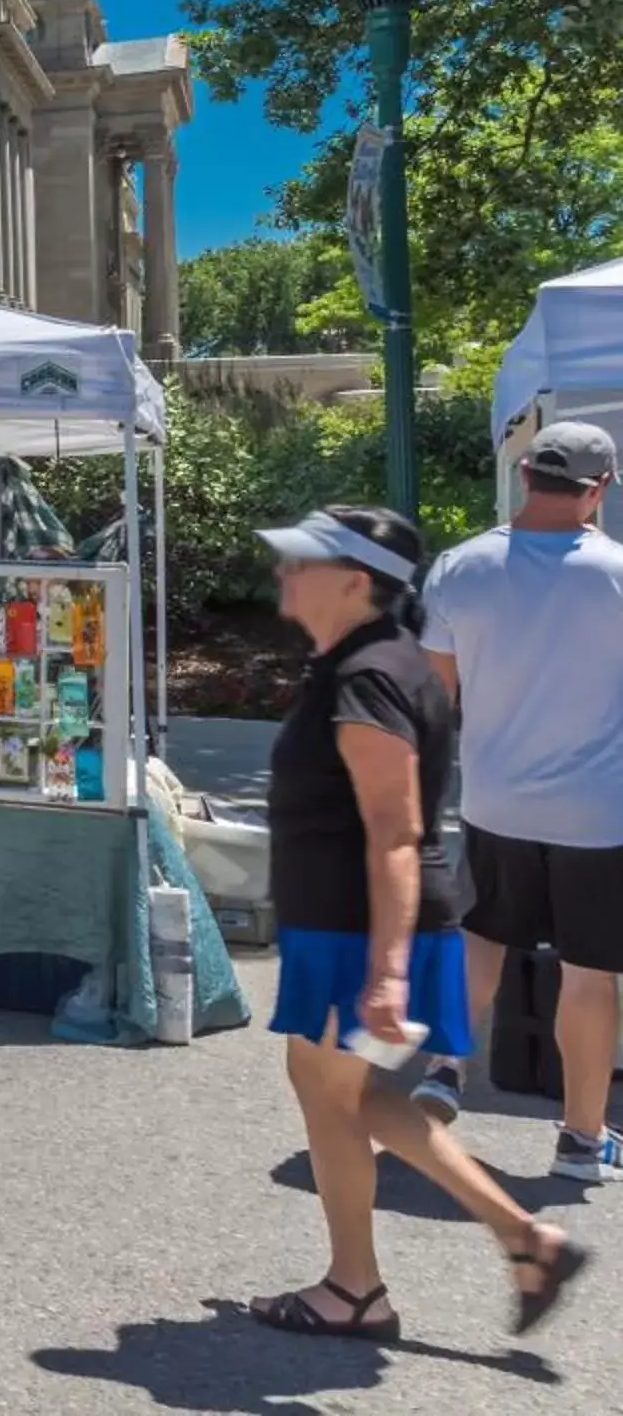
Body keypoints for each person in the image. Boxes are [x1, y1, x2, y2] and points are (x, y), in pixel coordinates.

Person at [247, 505, 587, 1339]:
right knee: (352, 1096)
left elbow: (396, 831)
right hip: (354, 926)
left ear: (356, 582)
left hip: (361, 933)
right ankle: (525, 1238)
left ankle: (355, 1290)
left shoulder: (369, 675)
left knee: (330, 1099)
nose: (286, 571)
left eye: (305, 561)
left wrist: (387, 970)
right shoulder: (364, 664)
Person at [415, 419, 623, 1172]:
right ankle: (580, 1139)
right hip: (598, 812)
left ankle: (443, 1071)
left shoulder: (460, 568)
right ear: (598, 491)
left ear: (526, 473)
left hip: (495, 798)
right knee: (590, 973)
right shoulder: (617, 574)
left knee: (481, 939)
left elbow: (434, 699)